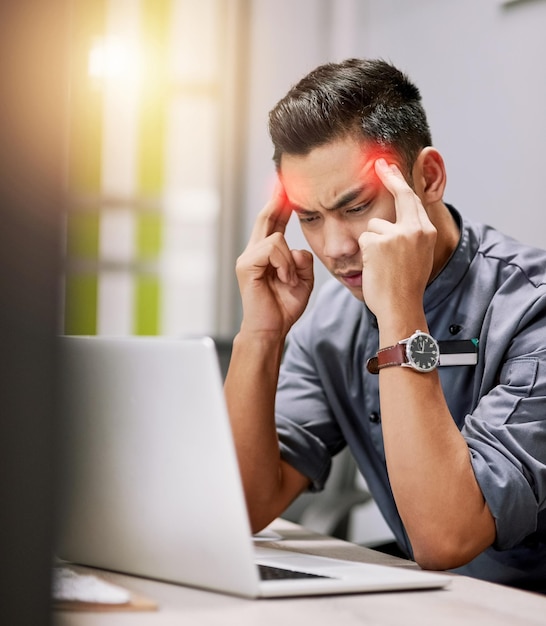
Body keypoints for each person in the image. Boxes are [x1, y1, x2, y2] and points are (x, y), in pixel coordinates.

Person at [224, 58, 546, 590]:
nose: (335, 248)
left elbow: (446, 538)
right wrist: (259, 334)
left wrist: (399, 311)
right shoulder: (329, 324)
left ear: (429, 177)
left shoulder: (531, 308)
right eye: (309, 218)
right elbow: (242, 507)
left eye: (355, 206)